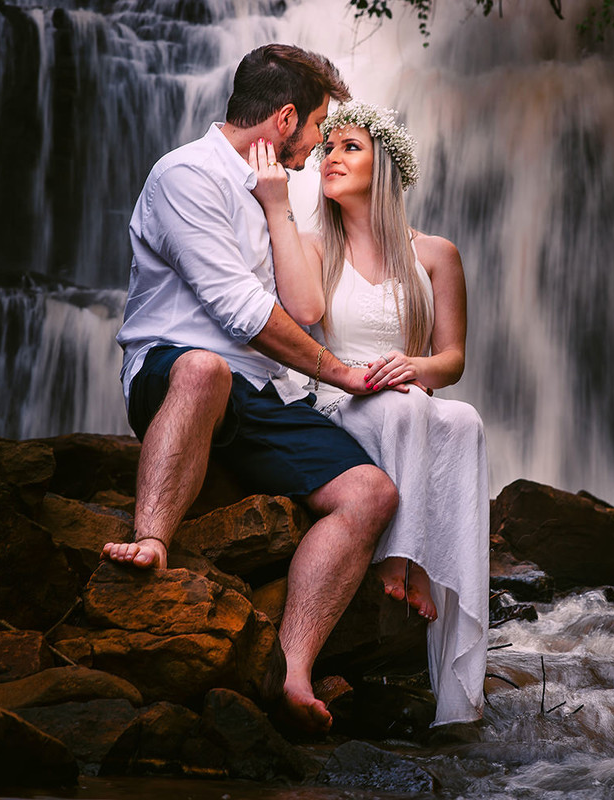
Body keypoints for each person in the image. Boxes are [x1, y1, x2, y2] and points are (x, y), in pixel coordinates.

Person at [101, 45, 400, 735]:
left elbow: (302, 309)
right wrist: (340, 373)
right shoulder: (185, 175)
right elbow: (238, 311)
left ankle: (293, 670)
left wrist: (279, 209)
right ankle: (152, 539)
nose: (319, 144)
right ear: (285, 118)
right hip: (171, 371)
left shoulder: (275, 190)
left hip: (263, 390)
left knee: (371, 493)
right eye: (317, 126)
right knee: (206, 367)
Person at [249, 101, 489, 726]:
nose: (330, 157)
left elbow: (453, 359)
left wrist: (415, 366)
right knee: (406, 407)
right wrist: (277, 205)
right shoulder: (313, 247)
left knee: (464, 419)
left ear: (384, 165)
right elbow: (303, 312)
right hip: (339, 401)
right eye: (327, 147)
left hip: (404, 396)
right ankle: (399, 561)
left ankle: (457, 618)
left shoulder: (435, 254)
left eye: (349, 147)